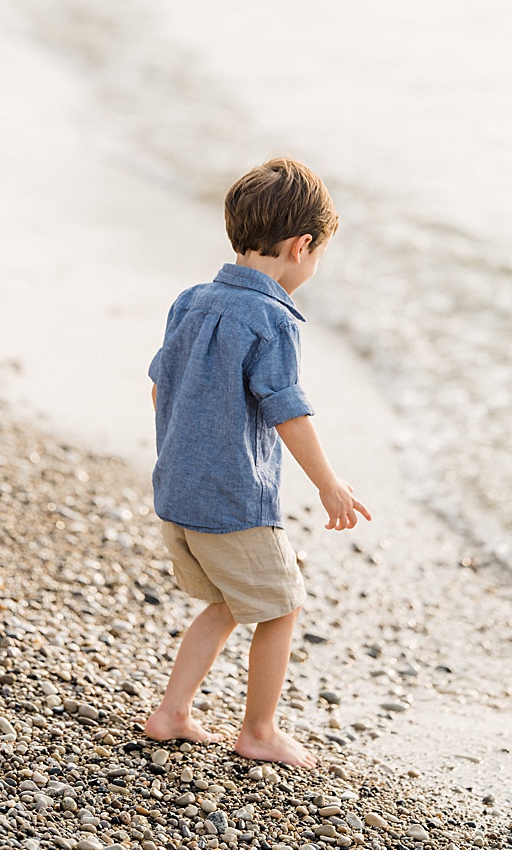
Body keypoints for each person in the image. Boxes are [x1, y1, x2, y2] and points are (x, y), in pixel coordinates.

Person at [143, 157, 372, 768]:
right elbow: (287, 411)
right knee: (281, 605)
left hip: (178, 491)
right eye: (319, 256)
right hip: (232, 499)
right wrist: (330, 484)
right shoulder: (272, 317)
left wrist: (179, 452)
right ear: (302, 246)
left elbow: (161, 385)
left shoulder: (191, 300)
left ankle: (172, 713)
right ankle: (260, 731)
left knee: (224, 600)